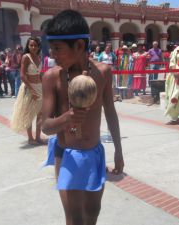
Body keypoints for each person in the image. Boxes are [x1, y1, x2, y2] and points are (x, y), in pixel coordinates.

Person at [42, 9, 124, 225]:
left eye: (57, 49)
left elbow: (111, 114)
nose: (53, 55)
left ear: (79, 45)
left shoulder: (103, 72)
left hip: (94, 152)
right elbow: (46, 126)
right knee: (75, 218)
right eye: (51, 48)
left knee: (93, 211)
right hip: (66, 154)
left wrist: (118, 151)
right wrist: (66, 118)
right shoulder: (52, 77)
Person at [11, 37, 48, 145]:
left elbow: (40, 74)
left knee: (40, 114)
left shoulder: (39, 57)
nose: (33, 47)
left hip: (39, 87)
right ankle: (30, 138)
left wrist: (44, 86)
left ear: (38, 47)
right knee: (29, 113)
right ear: (28, 46)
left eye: (35, 45)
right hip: (29, 87)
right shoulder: (25, 57)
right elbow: (22, 76)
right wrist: (32, 91)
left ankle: (38, 137)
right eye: (31, 45)